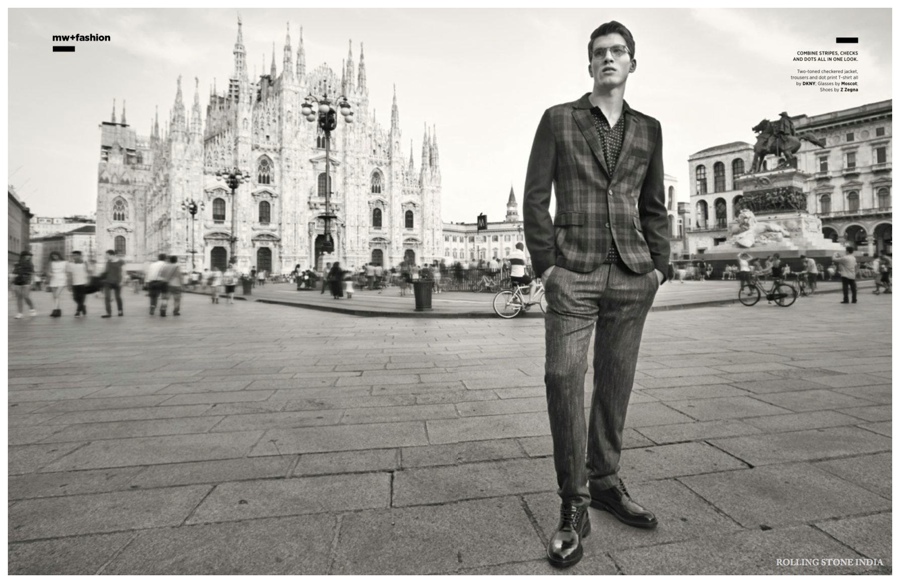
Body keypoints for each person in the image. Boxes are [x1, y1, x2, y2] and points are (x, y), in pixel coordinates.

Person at [523, 21, 669, 568]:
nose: (609, 58)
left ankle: (605, 480)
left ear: (632, 63)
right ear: (589, 64)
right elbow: (535, 198)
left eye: (619, 51)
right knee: (563, 377)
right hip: (574, 273)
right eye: (600, 52)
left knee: (615, 381)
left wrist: (660, 267)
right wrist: (548, 266)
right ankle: (573, 501)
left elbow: (653, 204)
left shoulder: (649, 128)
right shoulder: (559, 119)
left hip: (632, 274)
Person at [12, 250, 37, 319]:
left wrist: (33, 282)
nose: (29, 257)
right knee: (19, 297)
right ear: (23, 256)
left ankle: (32, 309)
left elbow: (32, 273)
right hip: (17, 281)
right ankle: (19, 313)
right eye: (28, 255)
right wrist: (11, 281)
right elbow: (14, 273)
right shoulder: (17, 264)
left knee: (26, 296)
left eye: (30, 256)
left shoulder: (30, 264)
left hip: (27, 281)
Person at [100, 249, 125, 318]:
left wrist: (122, 281)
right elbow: (104, 272)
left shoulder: (121, 262)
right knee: (107, 297)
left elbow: (124, 272)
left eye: (107, 255)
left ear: (112, 255)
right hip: (108, 282)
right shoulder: (107, 262)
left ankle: (120, 310)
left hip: (117, 282)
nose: (106, 257)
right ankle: (108, 313)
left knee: (118, 297)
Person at [66, 251, 91, 317]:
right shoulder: (70, 264)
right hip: (75, 283)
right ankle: (82, 306)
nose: (74, 257)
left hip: (83, 283)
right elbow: (69, 275)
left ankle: (78, 311)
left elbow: (89, 272)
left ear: (80, 256)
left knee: (82, 297)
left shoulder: (85, 263)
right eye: (73, 255)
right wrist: (69, 284)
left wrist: (89, 281)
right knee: (75, 298)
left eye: (76, 255)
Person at [46, 251, 68, 317]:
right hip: (54, 279)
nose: (54, 257)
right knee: (54, 296)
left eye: (55, 255)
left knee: (57, 294)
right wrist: (50, 274)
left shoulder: (65, 262)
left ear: (59, 255)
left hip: (62, 279)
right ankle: (58, 311)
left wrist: (68, 280)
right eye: (53, 256)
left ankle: (55, 310)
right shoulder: (51, 263)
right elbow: (48, 272)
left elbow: (67, 271)